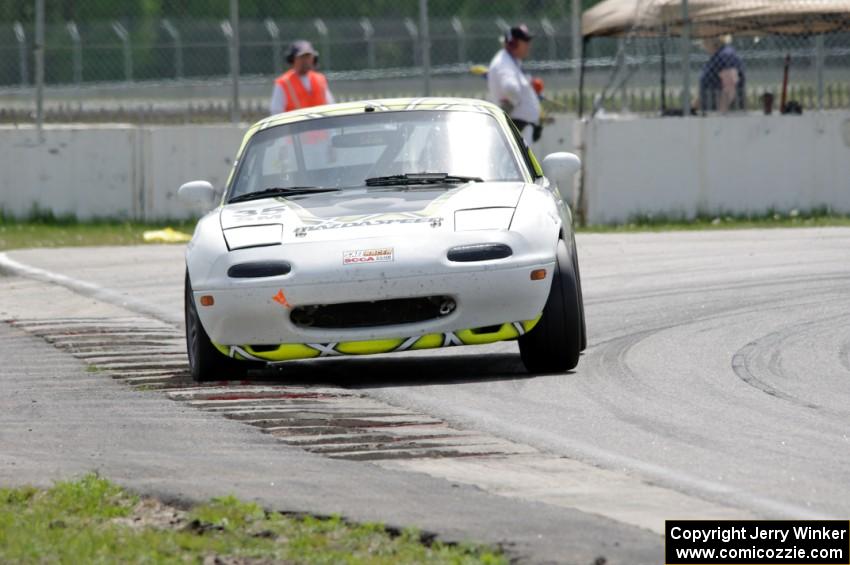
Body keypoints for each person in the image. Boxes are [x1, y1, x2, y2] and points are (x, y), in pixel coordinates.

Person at [487, 24, 542, 144]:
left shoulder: (510, 62)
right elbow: (511, 88)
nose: (529, 45)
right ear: (514, 43)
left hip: (521, 128)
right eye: (525, 41)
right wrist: (514, 102)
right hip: (518, 128)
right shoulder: (504, 63)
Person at [269, 40, 334, 115]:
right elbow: (276, 112)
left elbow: (330, 106)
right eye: (302, 57)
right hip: (295, 126)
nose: (306, 61)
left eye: (308, 57)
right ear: (292, 59)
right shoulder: (284, 82)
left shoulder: (320, 79)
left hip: (321, 126)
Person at [699, 36, 745, 114]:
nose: (703, 44)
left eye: (704, 40)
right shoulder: (716, 56)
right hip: (711, 110)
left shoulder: (725, 55)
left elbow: (730, 86)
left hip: (724, 113)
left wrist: (721, 114)